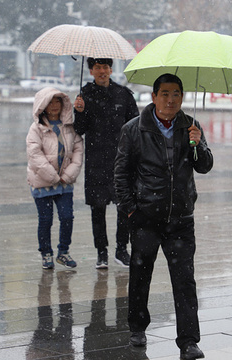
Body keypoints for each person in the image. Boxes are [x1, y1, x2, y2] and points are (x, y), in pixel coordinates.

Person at [114, 73, 213, 360]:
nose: (171, 100)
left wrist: (199, 144)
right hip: (145, 216)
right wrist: (131, 209)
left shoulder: (190, 127)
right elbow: (121, 174)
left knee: (185, 280)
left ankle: (188, 341)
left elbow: (204, 166)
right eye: (165, 94)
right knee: (140, 274)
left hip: (180, 218)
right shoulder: (134, 129)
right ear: (154, 96)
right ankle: (137, 326)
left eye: (177, 94)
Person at [73, 57, 139, 269]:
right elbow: (79, 129)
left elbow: (135, 124)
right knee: (97, 208)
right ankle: (101, 252)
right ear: (91, 70)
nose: (102, 71)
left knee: (124, 206)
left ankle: (122, 249)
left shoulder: (123, 94)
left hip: (121, 160)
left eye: (105, 67)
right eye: (97, 68)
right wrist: (80, 112)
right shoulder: (84, 95)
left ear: (111, 69)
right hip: (96, 161)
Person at [27, 87, 84, 269]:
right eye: (50, 102)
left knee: (67, 217)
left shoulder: (69, 127)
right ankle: (46, 253)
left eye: (57, 101)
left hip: (65, 183)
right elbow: (34, 155)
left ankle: (63, 252)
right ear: (43, 105)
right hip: (43, 182)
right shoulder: (36, 129)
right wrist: (52, 176)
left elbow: (78, 151)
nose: (54, 106)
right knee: (45, 219)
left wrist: (67, 175)